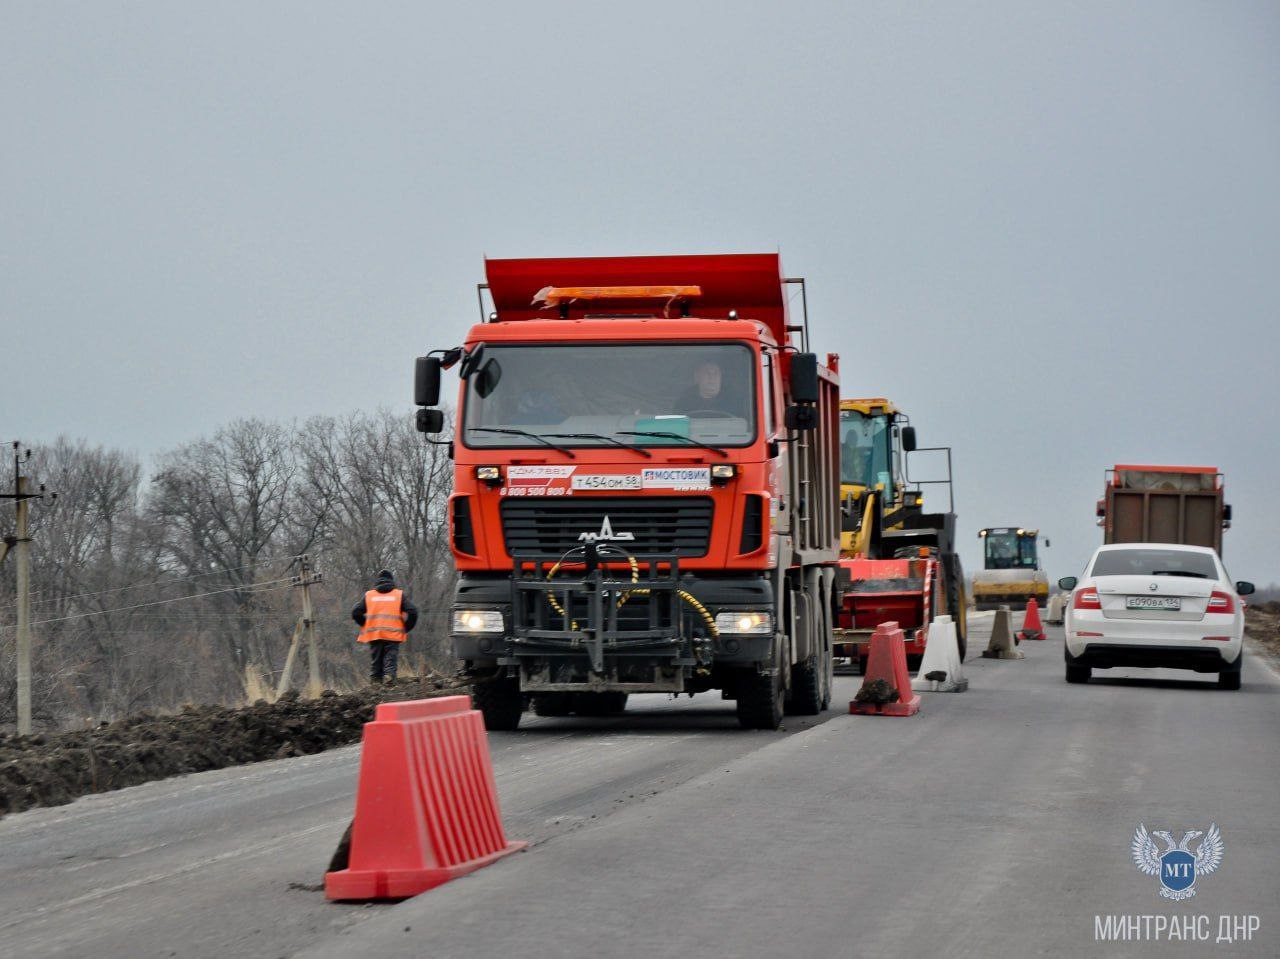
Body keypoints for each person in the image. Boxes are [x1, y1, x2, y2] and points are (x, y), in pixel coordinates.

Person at [352, 568, 417, 685]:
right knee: (390, 662)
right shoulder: (399, 595)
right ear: (391, 581)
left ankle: (375, 687)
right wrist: (406, 628)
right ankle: (389, 684)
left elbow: (356, 612)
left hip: (374, 634)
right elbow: (413, 612)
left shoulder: (369, 595)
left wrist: (366, 624)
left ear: (378, 581)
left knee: (376, 663)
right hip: (393, 634)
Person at [674, 359, 740, 416]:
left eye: (716, 373)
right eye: (707, 373)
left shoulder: (733, 399)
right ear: (697, 377)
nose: (712, 377)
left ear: (721, 377)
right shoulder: (685, 401)